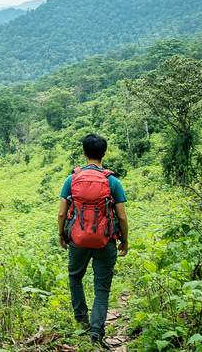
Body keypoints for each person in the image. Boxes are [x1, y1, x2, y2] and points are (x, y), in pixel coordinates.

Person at [57, 133, 129, 348]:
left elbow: (62, 214)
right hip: (105, 240)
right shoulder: (112, 181)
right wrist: (124, 240)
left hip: (77, 240)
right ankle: (96, 332)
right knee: (102, 288)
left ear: (84, 153)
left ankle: (82, 322)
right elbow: (122, 216)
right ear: (104, 154)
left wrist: (62, 234)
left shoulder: (72, 179)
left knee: (75, 277)